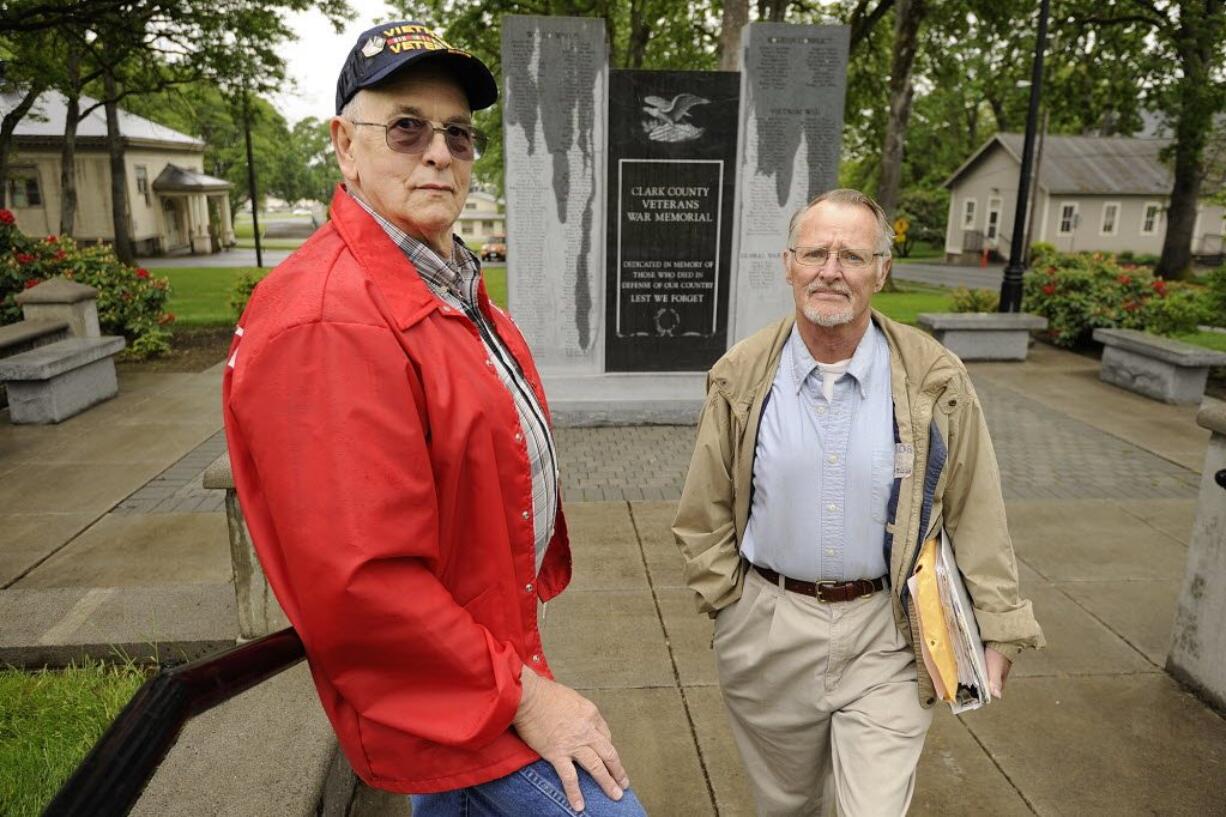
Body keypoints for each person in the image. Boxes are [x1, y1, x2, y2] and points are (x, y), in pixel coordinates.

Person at [222, 21, 646, 817]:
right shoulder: (329, 321)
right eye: (407, 127)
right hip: (458, 690)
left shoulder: (438, 276)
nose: (439, 152)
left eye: (458, 133)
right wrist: (527, 697)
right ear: (346, 143)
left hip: (479, 654)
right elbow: (362, 585)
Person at [672, 188, 1044, 816]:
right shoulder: (739, 376)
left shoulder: (936, 379)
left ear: (881, 270)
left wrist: (1001, 625)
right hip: (768, 629)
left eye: (852, 255)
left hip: (888, 631)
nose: (831, 271)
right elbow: (702, 511)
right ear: (789, 264)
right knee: (787, 805)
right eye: (815, 252)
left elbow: (975, 508)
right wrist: (729, 606)